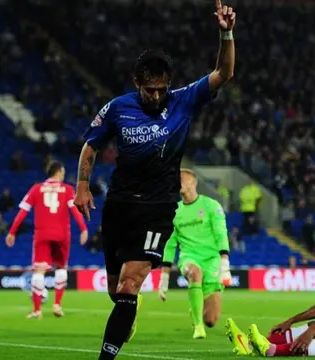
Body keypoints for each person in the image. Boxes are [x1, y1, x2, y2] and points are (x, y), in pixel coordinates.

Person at [74, 1, 236, 358]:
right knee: (117, 290)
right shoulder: (118, 108)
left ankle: (106, 355)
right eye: (151, 90)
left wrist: (225, 33)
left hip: (159, 207)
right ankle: (129, 310)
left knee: (131, 283)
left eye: (162, 89)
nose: (158, 96)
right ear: (137, 84)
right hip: (119, 205)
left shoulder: (183, 101)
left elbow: (223, 73)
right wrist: (82, 186)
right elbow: (90, 147)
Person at [6, 161, 88, 319]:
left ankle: (37, 310)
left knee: (39, 271)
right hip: (62, 234)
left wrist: (12, 232)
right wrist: (83, 229)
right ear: (58, 172)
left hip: (42, 234)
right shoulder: (67, 189)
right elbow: (75, 211)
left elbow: (23, 212)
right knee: (61, 268)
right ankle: (57, 304)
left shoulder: (36, 189)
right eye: (63, 171)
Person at [158, 169, 231, 340]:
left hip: (212, 260)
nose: (178, 182)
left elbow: (221, 234)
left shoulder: (211, 206)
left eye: (182, 179)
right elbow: (170, 245)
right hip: (189, 258)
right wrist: (165, 278)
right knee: (194, 273)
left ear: (193, 182)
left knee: (211, 320)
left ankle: (197, 311)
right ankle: (198, 328)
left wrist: (224, 263)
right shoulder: (174, 212)